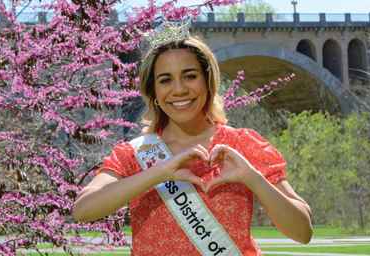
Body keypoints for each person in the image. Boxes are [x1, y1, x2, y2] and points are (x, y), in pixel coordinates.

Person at [72, 18, 313, 256]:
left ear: (208, 83)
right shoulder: (134, 154)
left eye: (189, 76)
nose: (179, 90)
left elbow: (303, 232)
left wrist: (252, 178)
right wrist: (161, 172)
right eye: (165, 80)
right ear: (153, 91)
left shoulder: (243, 145)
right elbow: (82, 211)